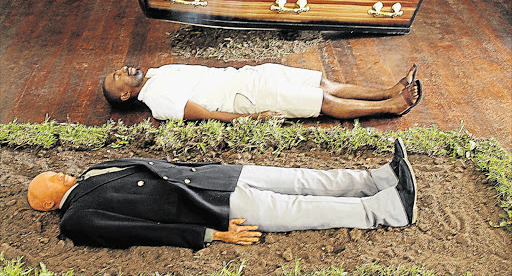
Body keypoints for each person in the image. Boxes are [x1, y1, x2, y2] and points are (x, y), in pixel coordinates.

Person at [27, 139, 417, 250]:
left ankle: (378, 178)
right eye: (49, 181)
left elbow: (158, 164)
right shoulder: (76, 218)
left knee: (301, 179)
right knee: (298, 209)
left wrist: (209, 165)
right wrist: (213, 234)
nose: (57, 174)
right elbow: (143, 231)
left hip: (216, 176)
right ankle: (387, 209)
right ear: (47, 203)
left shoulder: (94, 171)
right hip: (210, 206)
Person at [102, 63, 422, 122]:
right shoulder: (156, 101)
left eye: (119, 69)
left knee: (323, 84)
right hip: (248, 98)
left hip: (252, 75)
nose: (124, 69)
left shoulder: (157, 73)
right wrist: (252, 118)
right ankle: (391, 107)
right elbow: (204, 113)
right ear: (126, 96)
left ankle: (387, 92)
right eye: (119, 77)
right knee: (322, 101)